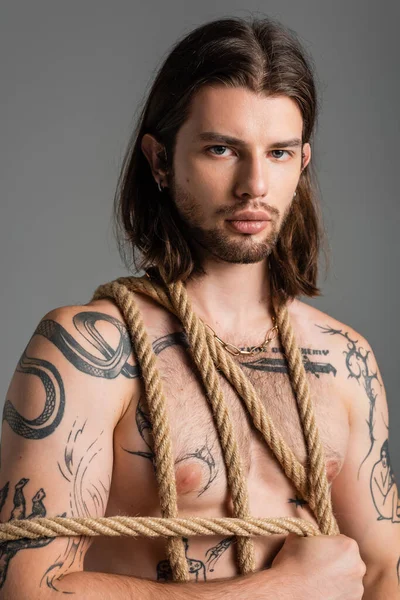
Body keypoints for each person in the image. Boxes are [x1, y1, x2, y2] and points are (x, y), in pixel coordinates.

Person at [0, 15, 398, 600]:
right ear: (160, 161)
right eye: (221, 150)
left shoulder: (343, 360)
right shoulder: (89, 352)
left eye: (280, 153)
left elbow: (386, 570)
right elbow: (26, 589)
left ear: (303, 163)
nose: (254, 185)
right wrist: (279, 589)